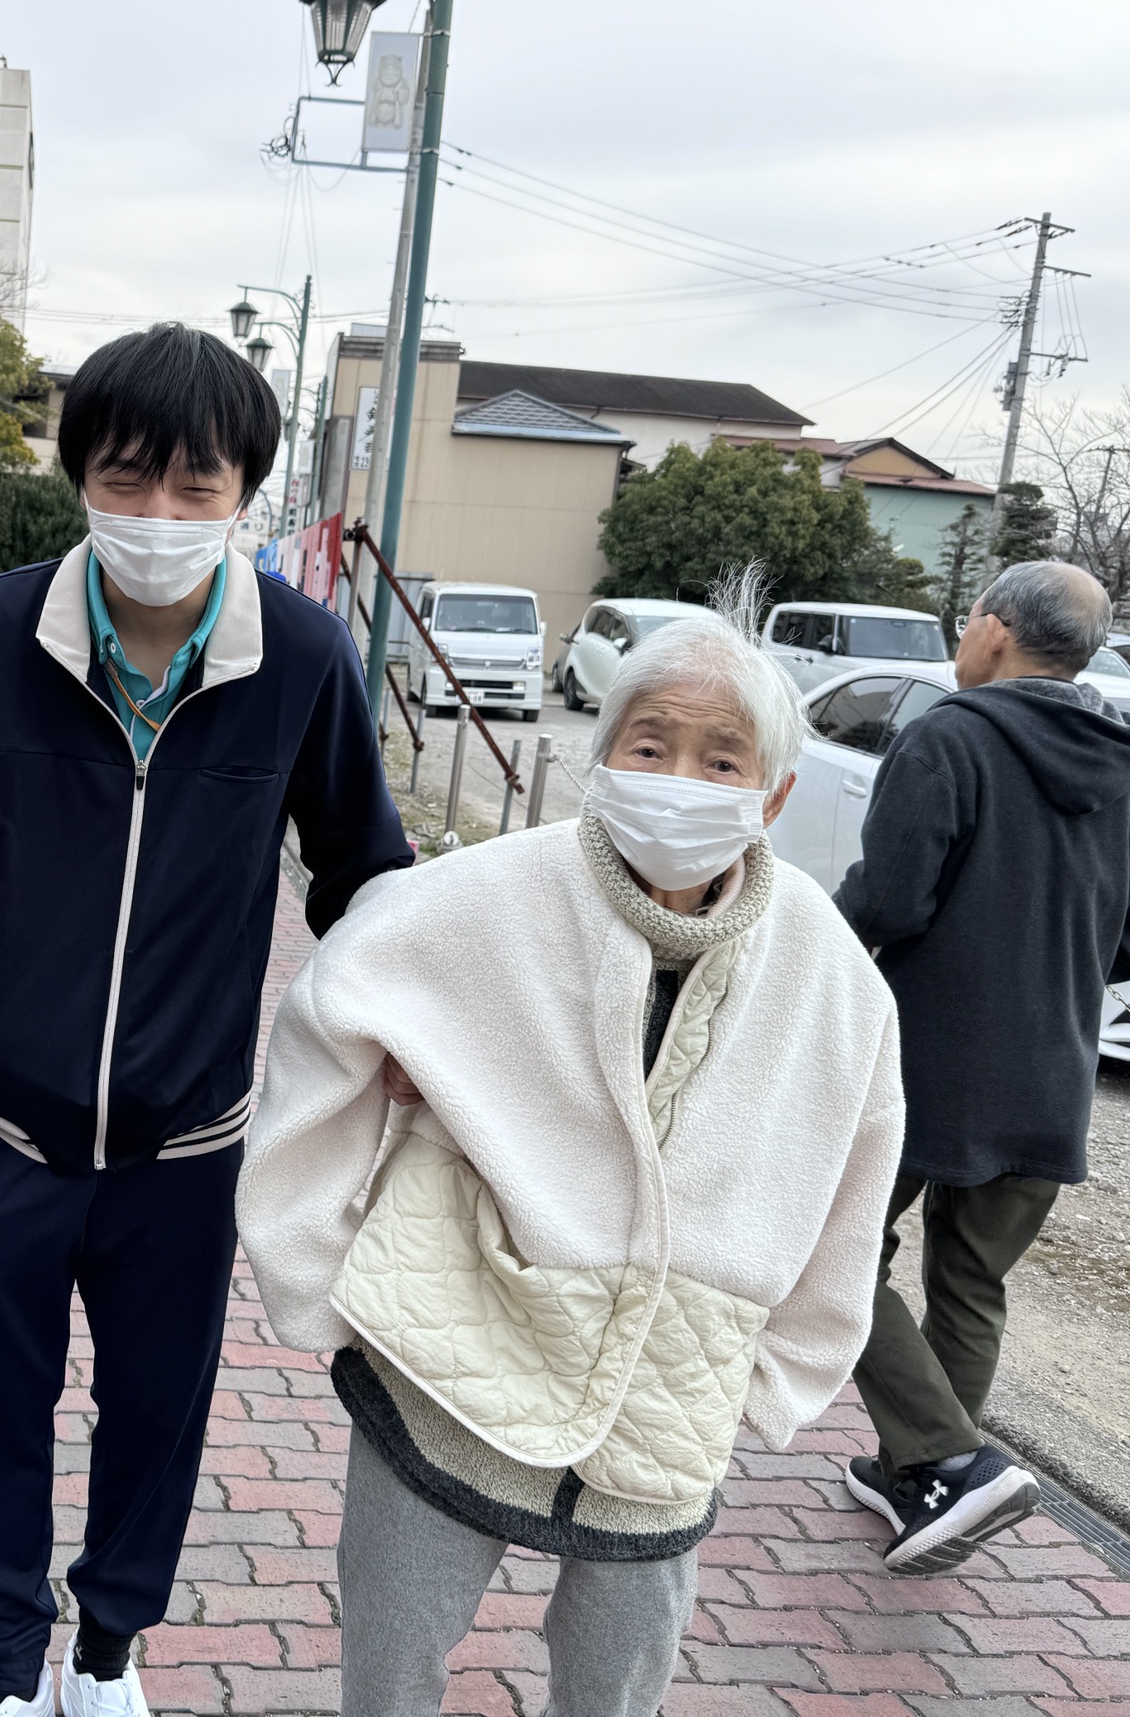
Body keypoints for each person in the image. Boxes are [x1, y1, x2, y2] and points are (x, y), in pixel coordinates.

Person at [0, 323, 412, 1717]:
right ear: (79, 478)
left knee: (156, 1419)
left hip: (188, 1146)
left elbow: (367, 876)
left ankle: (107, 1653)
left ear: (247, 493)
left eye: (196, 487)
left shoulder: (297, 655)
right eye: (128, 480)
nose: (160, 517)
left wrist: (398, 1048)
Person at [238, 584, 904, 1717]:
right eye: (650, 746)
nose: (679, 781)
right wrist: (314, 1264)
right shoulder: (484, 894)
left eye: (721, 760)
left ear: (775, 793)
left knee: (621, 1674)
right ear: (600, 758)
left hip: (670, 1378)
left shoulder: (831, 972)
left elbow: (859, 1168)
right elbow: (328, 1015)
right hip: (454, 1333)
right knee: (392, 1653)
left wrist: (787, 1370)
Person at [837, 559, 1130, 1575]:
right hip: (1053, 1071)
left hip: (918, 1063)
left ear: (992, 630)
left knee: (829, 1246)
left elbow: (890, 903)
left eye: (967, 613)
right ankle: (927, 1482)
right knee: (972, 1281)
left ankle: (945, 1458)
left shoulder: (951, 737)